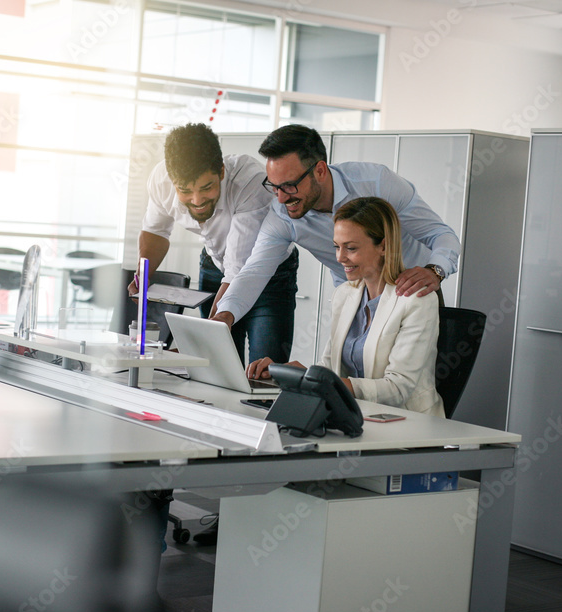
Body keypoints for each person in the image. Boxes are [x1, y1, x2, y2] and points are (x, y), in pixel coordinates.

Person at [212, 124, 460, 331]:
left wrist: (435, 271)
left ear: (319, 170)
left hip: (411, 292)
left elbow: (441, 235)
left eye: (289, 185)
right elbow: (254, 271)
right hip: (354, 299)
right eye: (274, 186)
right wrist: (226, 315)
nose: (280, 198)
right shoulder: (282, 215)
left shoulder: (376, 182)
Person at [247, 196, 444, 417]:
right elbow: (331, 367)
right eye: (337, 247)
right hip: (356, 415)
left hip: (407, 423)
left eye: (350, 248)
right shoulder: (345, 294)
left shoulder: (416, 300)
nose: (340, 258)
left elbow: (397, 389)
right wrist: (289, 373)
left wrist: (315, 379)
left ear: (384, 246)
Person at [130, 123, 298, 364]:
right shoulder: (161, 180)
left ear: (220, 171)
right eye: (185, 191)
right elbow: (155, 231)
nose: (196, 200)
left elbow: (238, 269)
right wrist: (142, 275)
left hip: (270, 275)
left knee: (264, 368)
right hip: (214, 264)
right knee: (218, 362)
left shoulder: (251, 181)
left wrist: (204, 338)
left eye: (206, 188)